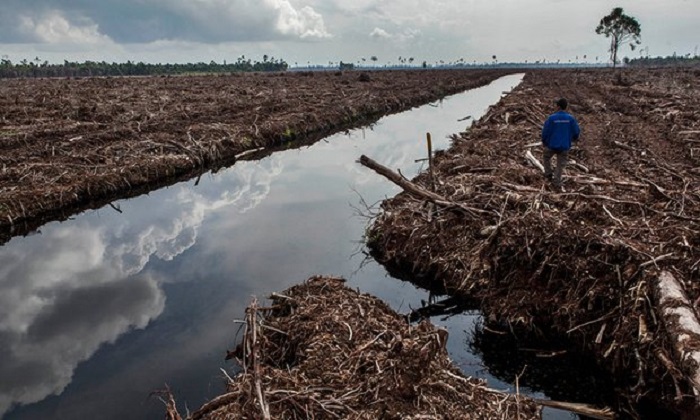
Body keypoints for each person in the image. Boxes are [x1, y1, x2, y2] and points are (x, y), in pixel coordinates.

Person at [541, 98, 580, 187]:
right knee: (560, 164)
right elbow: (576, 131)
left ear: (558, 107)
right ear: (566, 107)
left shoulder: (552, 118)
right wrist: (574, 139)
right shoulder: (570, 119)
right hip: (564, 146)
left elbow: (545, 131)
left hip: (552, 145)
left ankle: (548, 174)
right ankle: (557, 181)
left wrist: (544, 141)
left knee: (546, 157)